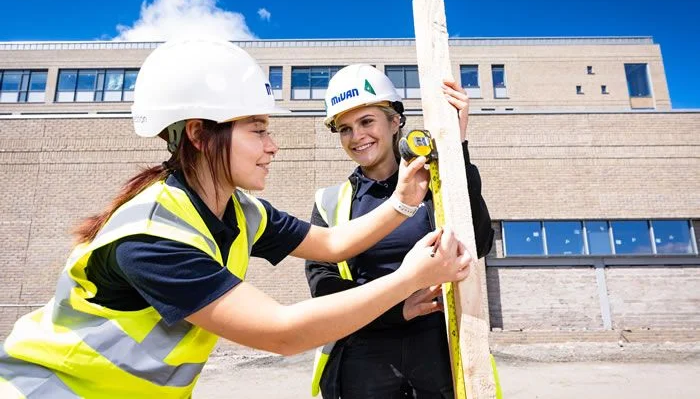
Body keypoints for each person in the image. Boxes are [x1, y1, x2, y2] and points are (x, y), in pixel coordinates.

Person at [0, 40, 473, 399]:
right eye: (259, 131)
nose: (273, 147)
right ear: (200, 134)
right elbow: (282, 332)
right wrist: (411, 278)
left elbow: (331, 245)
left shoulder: (239, 210)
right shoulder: (151, 237)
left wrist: (403, 202)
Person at [306, 64, 494, 399]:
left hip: (439, 350)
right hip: (364, 355)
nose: (357, 136)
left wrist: (455, 148)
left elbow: (478, 243)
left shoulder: (436, 185)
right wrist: (396, 307)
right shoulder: (331, 202)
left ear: (395, 122)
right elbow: (323, 286)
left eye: (366, 122)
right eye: (345, 129)